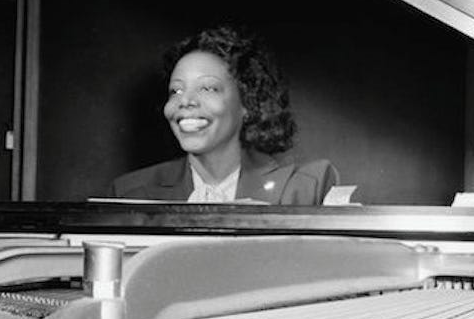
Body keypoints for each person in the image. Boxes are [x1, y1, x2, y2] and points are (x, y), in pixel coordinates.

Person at [109, 26, 339, 205]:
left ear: (247, 103)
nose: (185, 101)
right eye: (176, 90)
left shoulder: (309, 185)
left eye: (208, 88)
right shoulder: (128, 192)